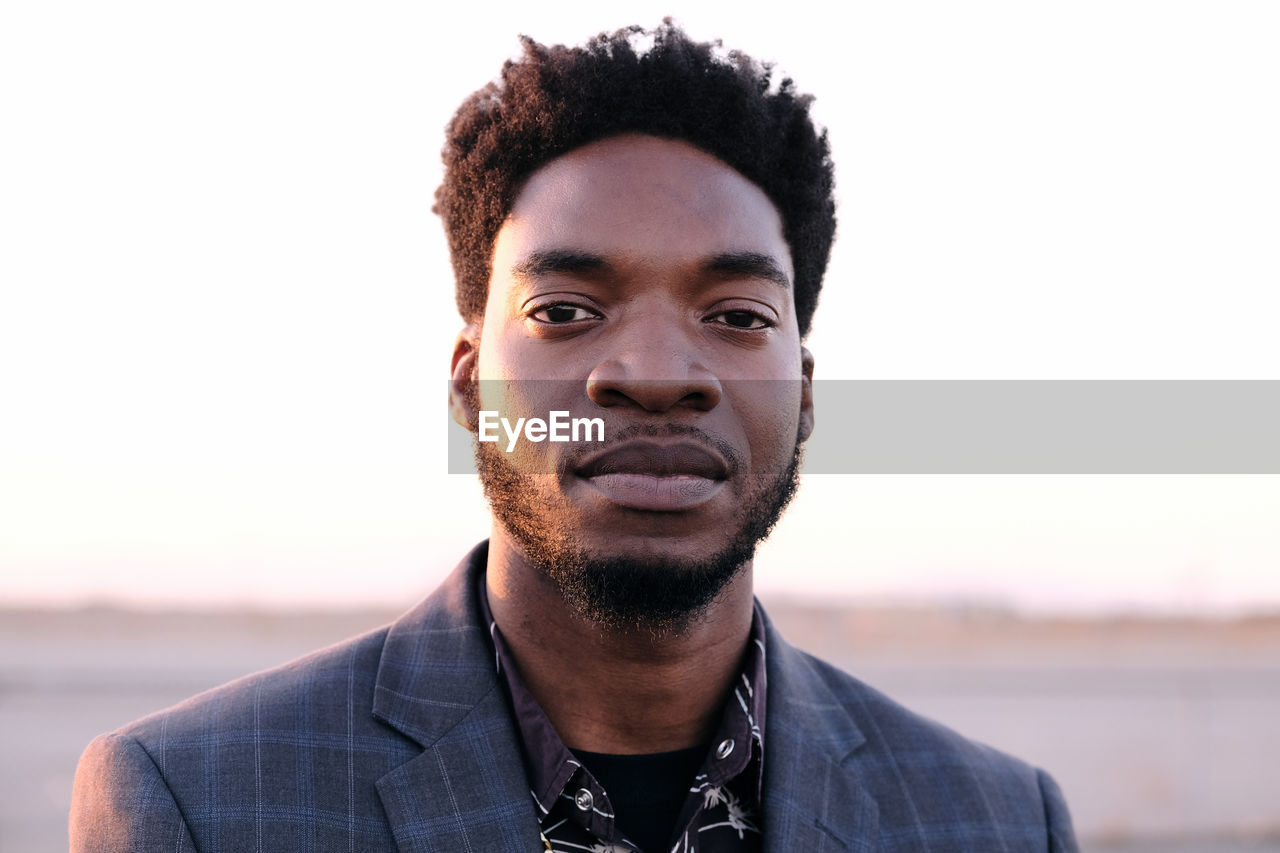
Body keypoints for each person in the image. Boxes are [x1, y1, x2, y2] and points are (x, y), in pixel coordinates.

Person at [71, 22, 1077, 852]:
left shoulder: (992, 821)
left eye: (734, 316)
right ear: (469, 382)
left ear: (803, 391)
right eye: (563, 309)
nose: (652, 375)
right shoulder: (197, 804)